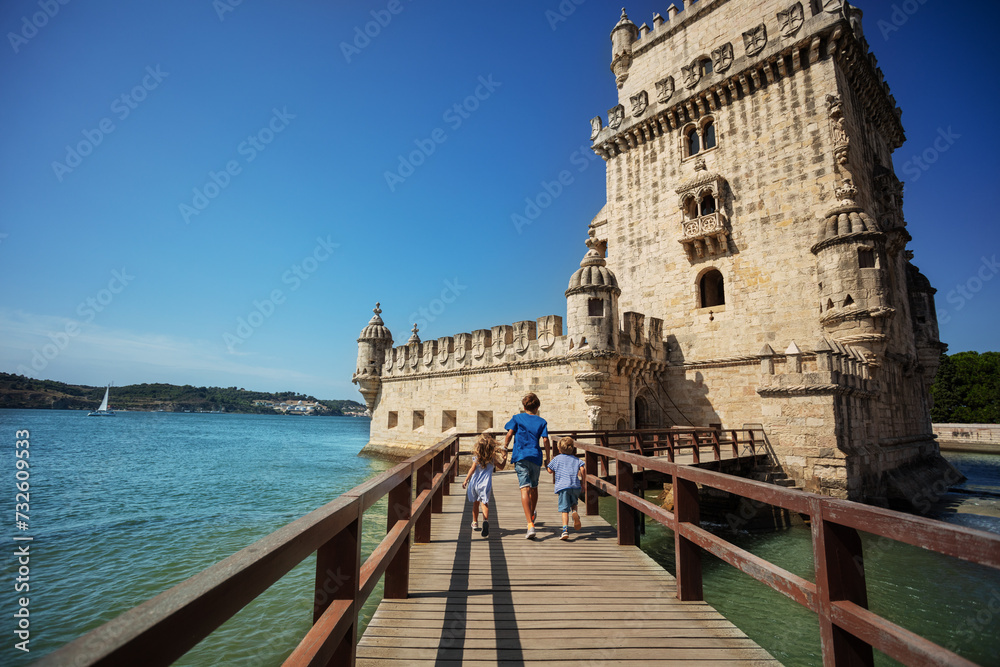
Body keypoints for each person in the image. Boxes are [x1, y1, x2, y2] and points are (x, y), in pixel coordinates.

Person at [504, 392, 549, 539]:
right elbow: (546, 440)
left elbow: (509, 434)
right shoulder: (542, 422)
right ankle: (532, 513)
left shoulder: (517, 418)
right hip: (535, 457)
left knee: (524, 488)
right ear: (537, 407)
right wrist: (549, 458)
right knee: (534, 487)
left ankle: (530, 524)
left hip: (521, 456)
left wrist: (505, 448)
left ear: (524, 406)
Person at [461, 432, 507, 538]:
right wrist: (504, 458)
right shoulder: (492, 459)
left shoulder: (477, 458)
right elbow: (501, 467)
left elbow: (472, 469)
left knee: (475, 504)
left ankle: (475, 522)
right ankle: (485, 520)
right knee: (484, 504)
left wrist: (466, 480)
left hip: (474, 483)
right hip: (485, 484)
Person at [546, 436, 585, 540]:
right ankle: (575, 512)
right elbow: (582, 469)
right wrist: (584, 482)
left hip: (563, 487)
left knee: (564, 509)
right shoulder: (576, 459)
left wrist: (549, 464)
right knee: (574, 503)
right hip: (575, 486)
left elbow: (549, 470)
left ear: (559, 449)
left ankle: (565, 531)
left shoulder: (557, 459)